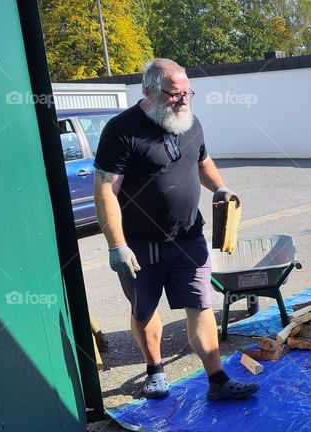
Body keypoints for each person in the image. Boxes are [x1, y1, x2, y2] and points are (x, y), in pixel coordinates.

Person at [93, 58, 258, 400]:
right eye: (174, 94)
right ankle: (154, 371)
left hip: (188, 239)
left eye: (188, 93)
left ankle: (217, 380)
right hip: (141, 245)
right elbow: (106, 189)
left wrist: (221, 188)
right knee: (145, 311)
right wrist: (116, 244)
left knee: (201, 307)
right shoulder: (122, 130)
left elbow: (202, 161)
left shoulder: (191, 123)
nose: (183, 100)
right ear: (149, 91)